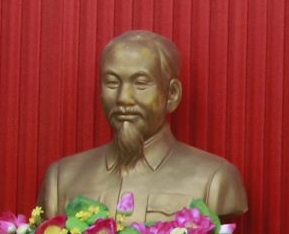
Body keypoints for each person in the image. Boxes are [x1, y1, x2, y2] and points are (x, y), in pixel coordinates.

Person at [39, 30, 247, 223]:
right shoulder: (62, 178)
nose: (123, 98)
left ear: (172, 94)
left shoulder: (214, 179)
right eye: (112, 82)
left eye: (140, 83)